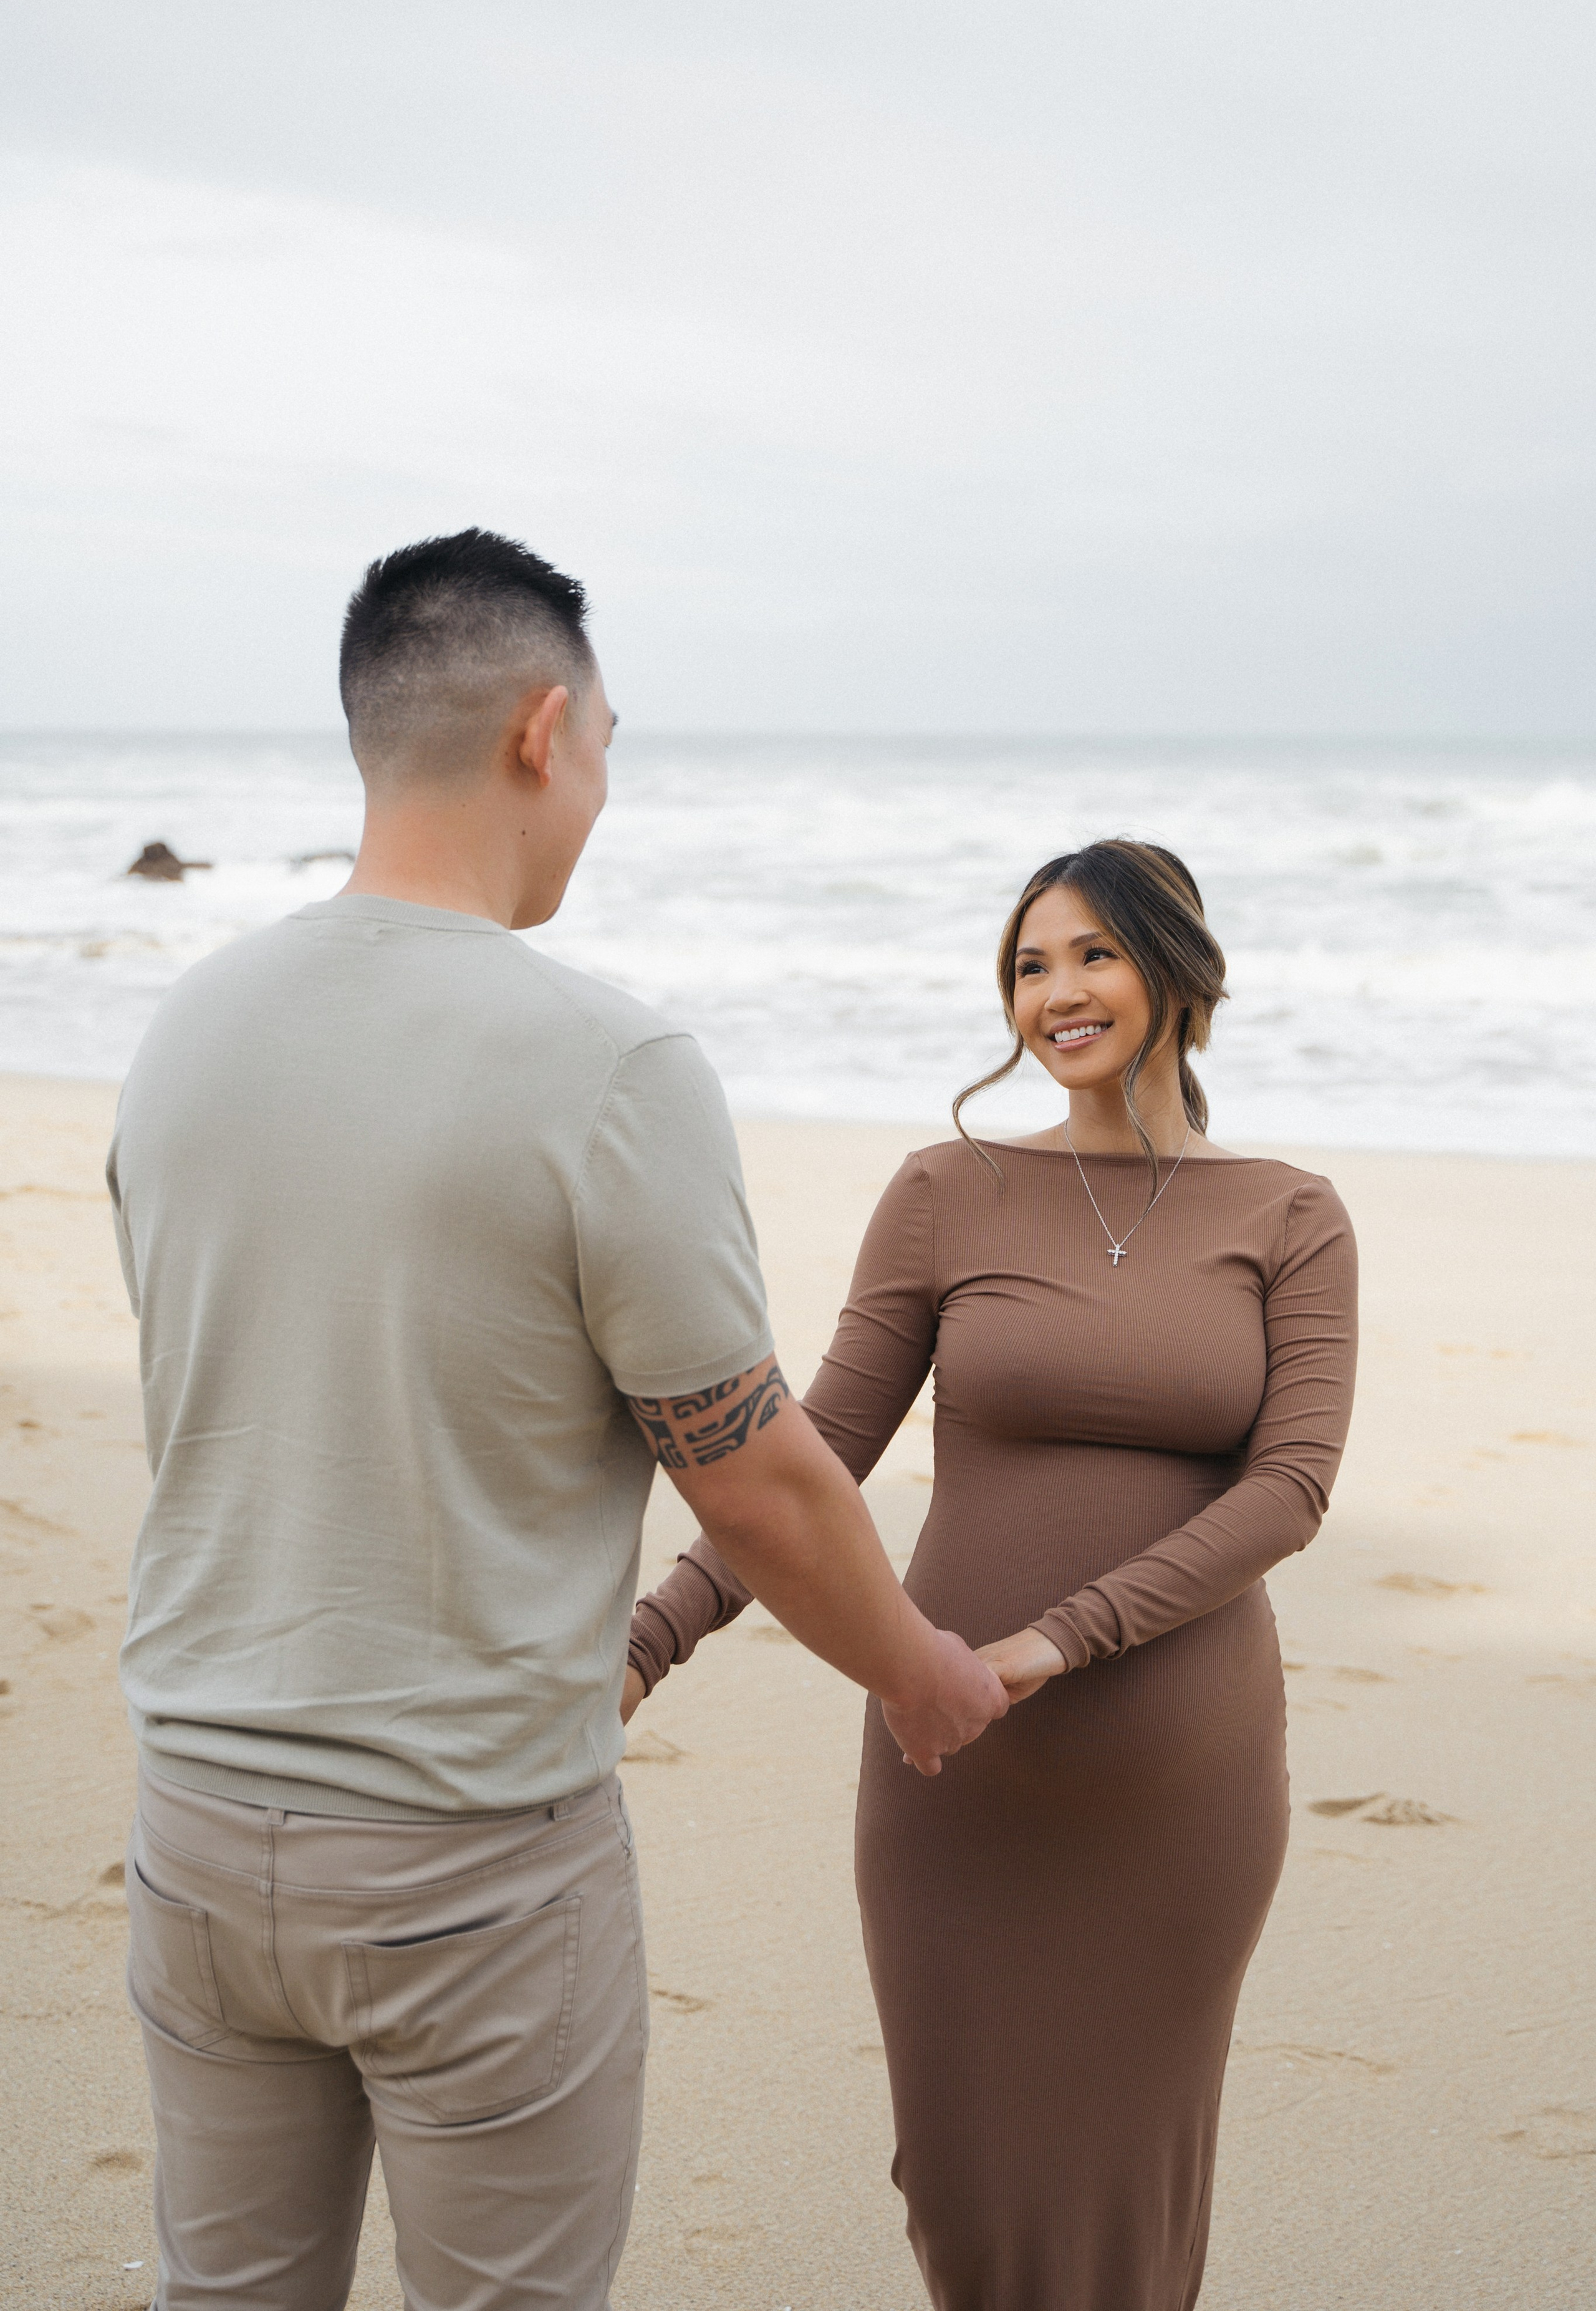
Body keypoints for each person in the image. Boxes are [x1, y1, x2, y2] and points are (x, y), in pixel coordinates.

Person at [107, 528, 1005, 2311]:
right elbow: (750, 1476)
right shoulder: (608, 1066)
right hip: (466, 1852)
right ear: (541, 731)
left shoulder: (182, 1030)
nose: (602, 786)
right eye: (608, 742)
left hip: (197, 1824)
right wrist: (919, 1670)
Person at [627, 839, 1358, 2311]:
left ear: (1177, 973)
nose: (1056, 992)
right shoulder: (944, 1189)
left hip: (1178, 1781)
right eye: (1028, 964)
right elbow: (811, 1452)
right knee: (959, 2189)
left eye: (1091, 954)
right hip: (955, 1769)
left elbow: (1287, 1493)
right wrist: (646, 1644)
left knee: (1125, 2188)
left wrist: (1047, 1644)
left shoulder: (1288, 1213)